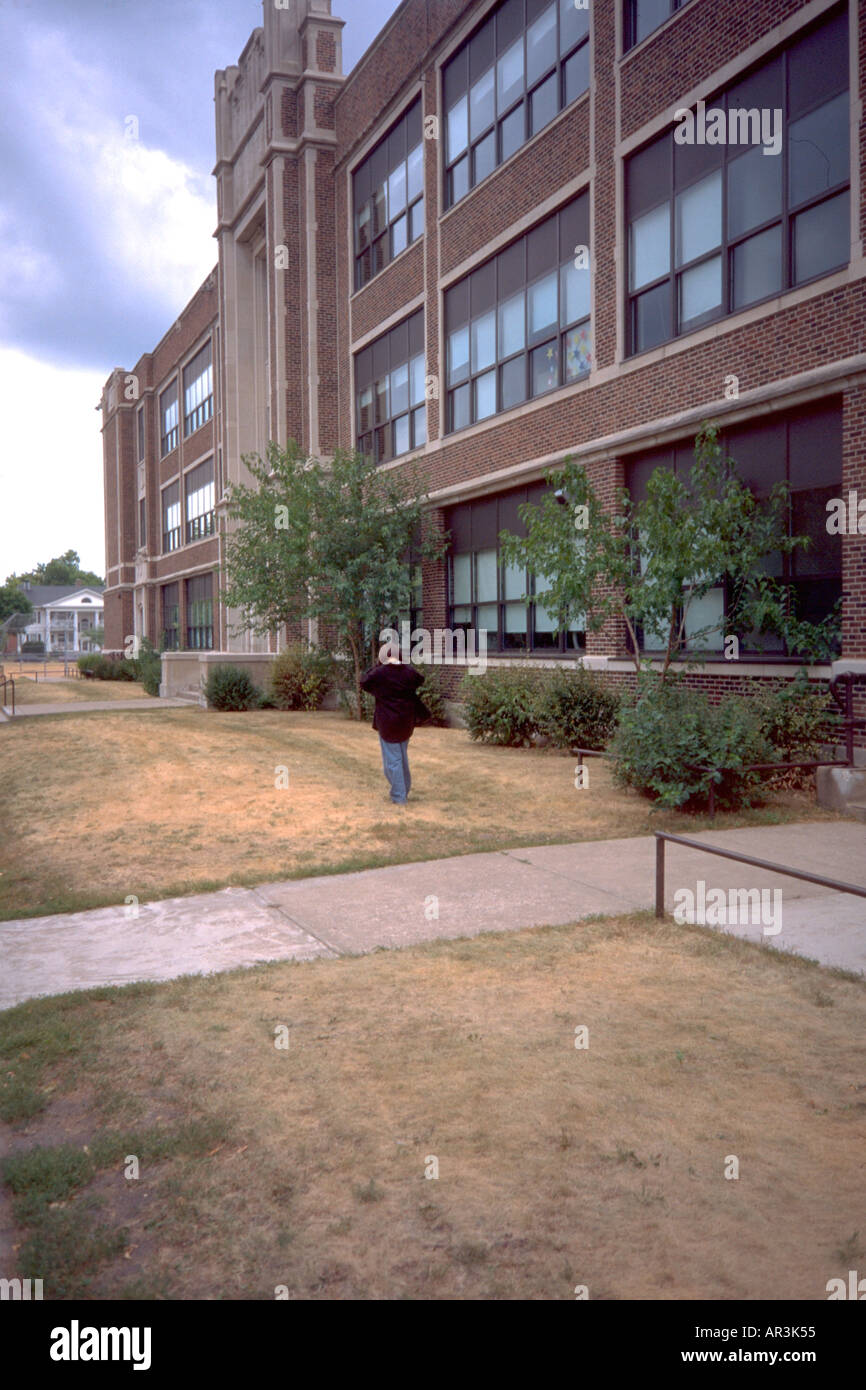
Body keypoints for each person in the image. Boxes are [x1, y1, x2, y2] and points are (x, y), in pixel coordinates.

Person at [360, 656, 430, 806]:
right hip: (405, 722)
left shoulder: (380, 673)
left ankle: (399, 796)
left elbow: (364, 681)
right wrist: (404, 665)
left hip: (387, 723)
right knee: (401, 758)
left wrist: (377, 665)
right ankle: (404, 788)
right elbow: (420, 678)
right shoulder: (408, 672)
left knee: (392, 762)